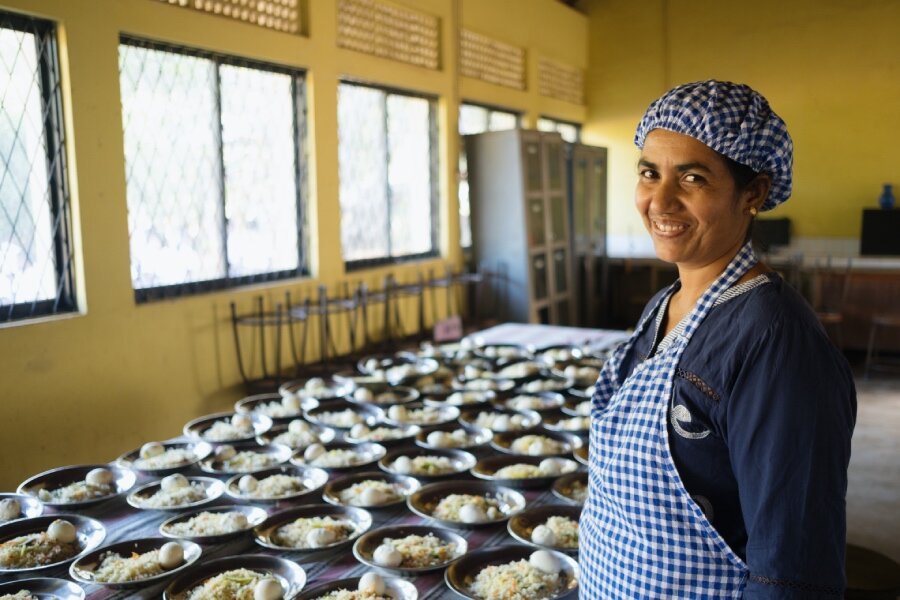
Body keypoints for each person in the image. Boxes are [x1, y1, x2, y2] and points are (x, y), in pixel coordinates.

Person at [579, 80, 857, 598]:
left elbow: (793, 572)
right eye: (649, 173)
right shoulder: (664, 304)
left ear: (753, 193)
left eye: (692, 177)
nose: (659, 201)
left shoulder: (776, 342)